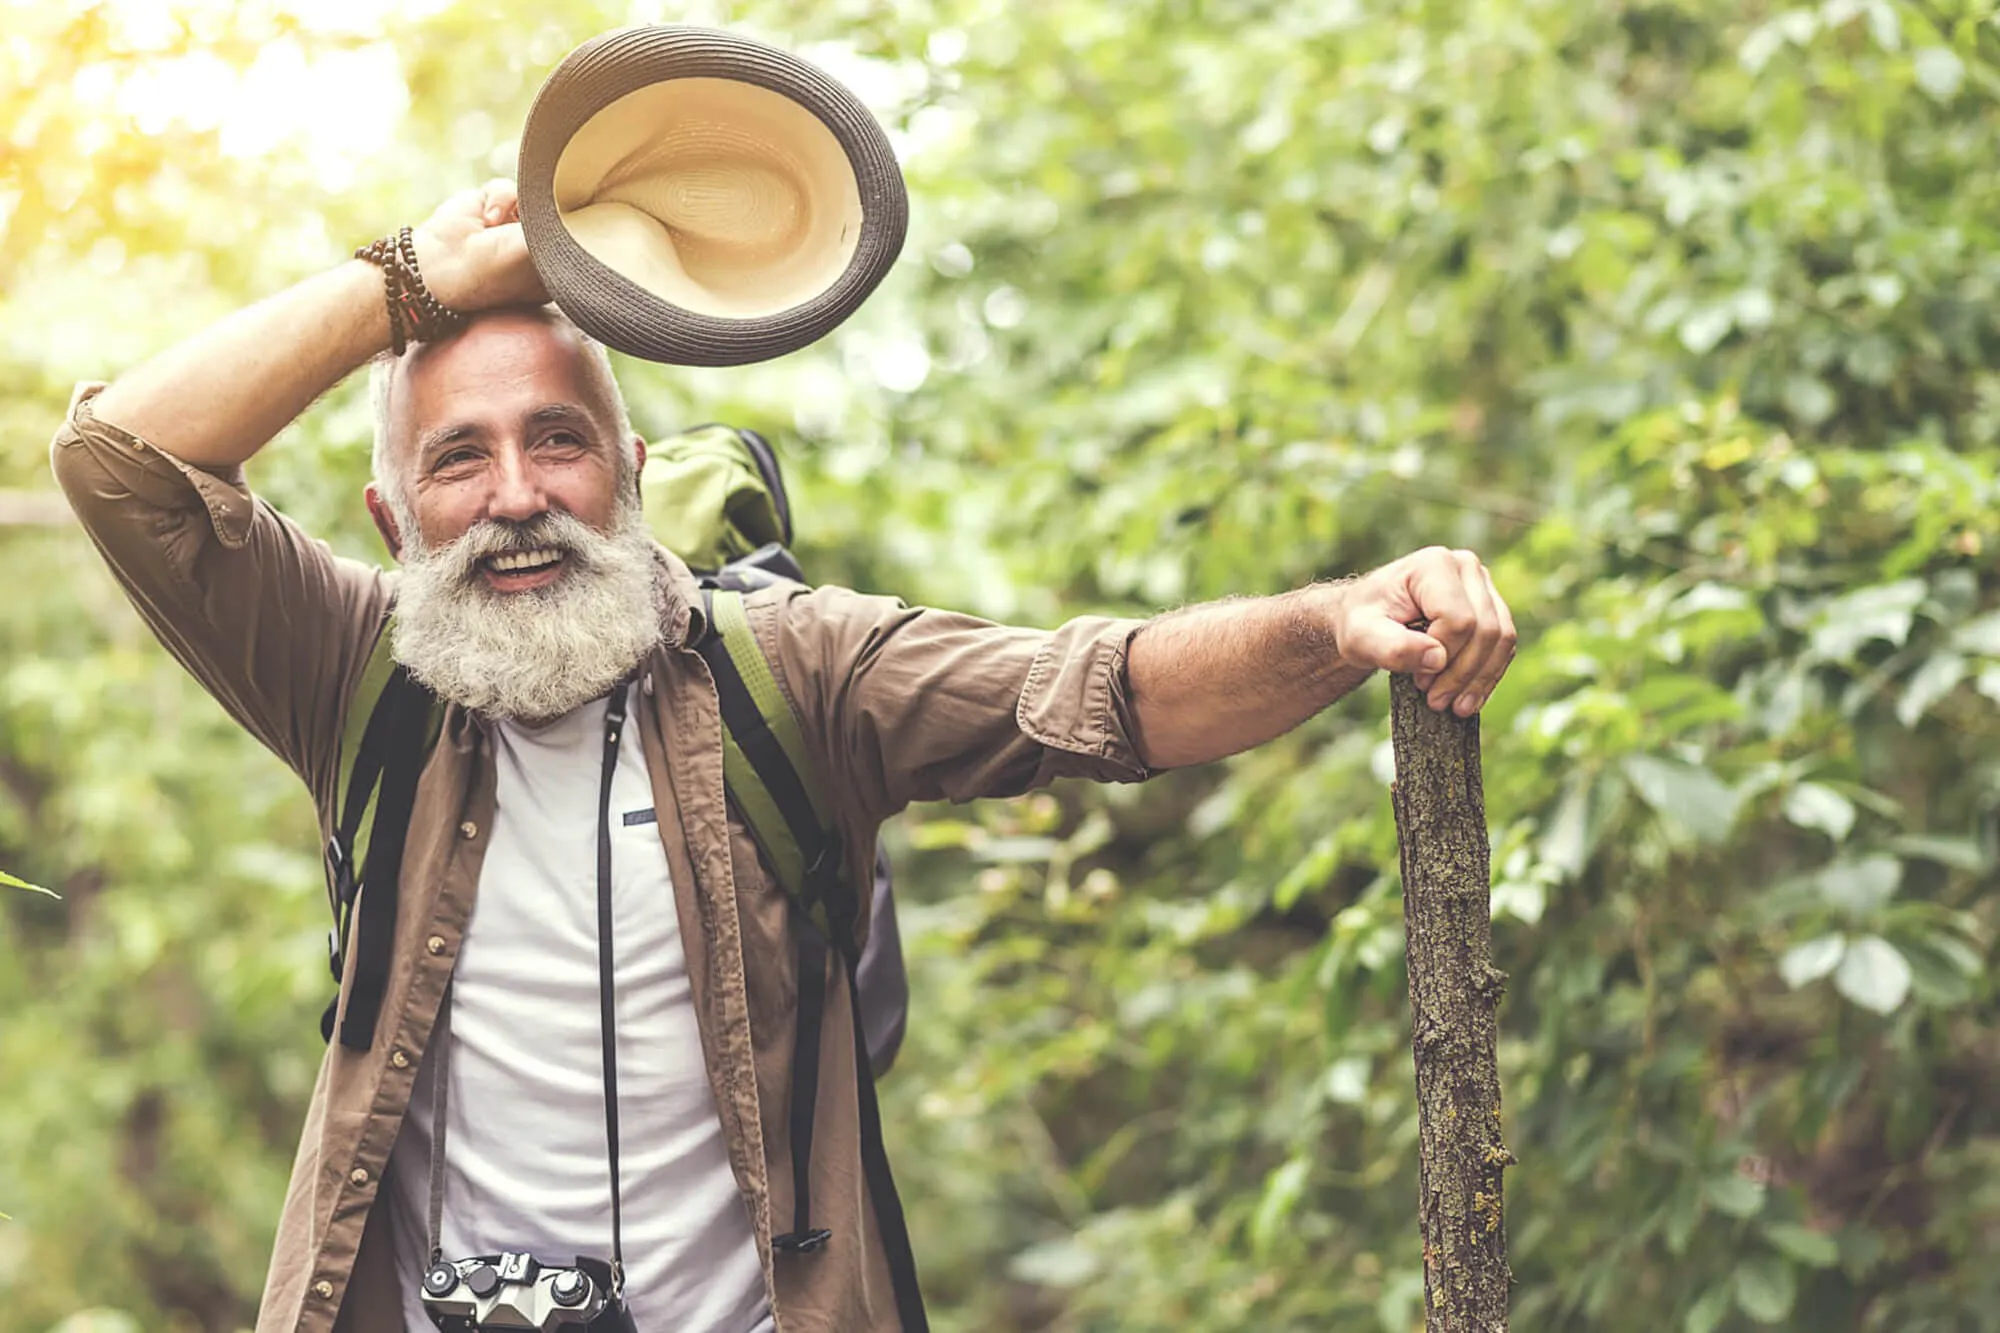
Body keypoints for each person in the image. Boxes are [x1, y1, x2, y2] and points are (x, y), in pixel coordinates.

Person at [50, 179, 1518, 1333]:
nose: (516, 497)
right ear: (393, 522)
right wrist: (420, 282)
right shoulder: (352, 675)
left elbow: (1103, 693)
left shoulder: (790, 671)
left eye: (558, 443)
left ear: (626, 487)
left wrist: (1342, 620)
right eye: (458, 456)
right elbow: (119, 461)